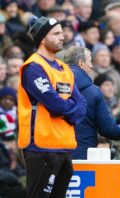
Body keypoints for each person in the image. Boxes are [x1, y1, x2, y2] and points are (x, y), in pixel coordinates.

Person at [18, 16, 87, 198]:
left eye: (62, 33)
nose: (62, 37)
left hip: (63, 145)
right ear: (42, 38)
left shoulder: (64, 68)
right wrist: (69, 111)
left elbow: (82, 105)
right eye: (56, 33)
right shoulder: (33, 67)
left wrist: (69, 112)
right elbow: (54, 104)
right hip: (41, 146)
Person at [63, 46, 120, 160]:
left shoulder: (53, 86)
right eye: (89, 61)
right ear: (81, 63)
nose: (92, 66)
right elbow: (107, 129)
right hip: (82, 153)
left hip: (55, 150)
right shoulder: (94, 92)